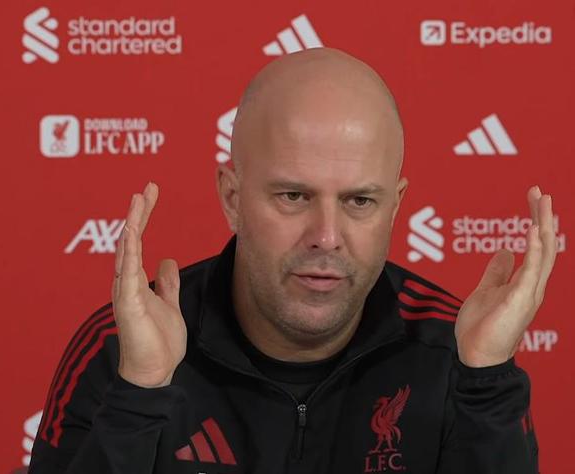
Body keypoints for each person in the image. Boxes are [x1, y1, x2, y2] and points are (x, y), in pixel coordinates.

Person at [29, 47, 556, 473]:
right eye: (293, 197)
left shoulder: (455, 353)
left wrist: (486, 381)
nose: (326, 237)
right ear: (232, 198)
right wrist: (139, 393)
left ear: (395, 207)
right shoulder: (122, 347)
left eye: (359, 201)